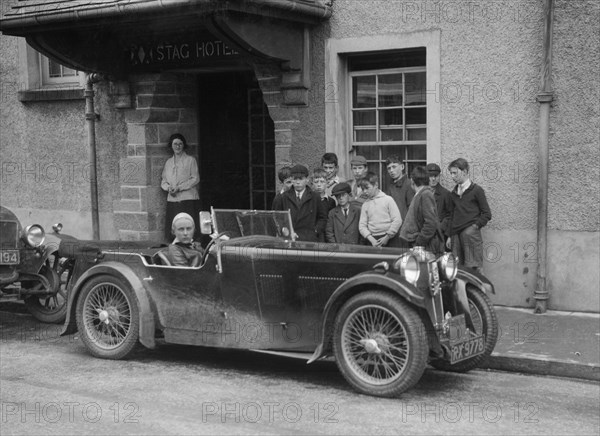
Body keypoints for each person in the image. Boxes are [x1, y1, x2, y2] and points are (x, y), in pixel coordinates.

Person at [448, 158, 492, 274]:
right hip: (456, 236)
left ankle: (478, 292)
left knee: (475, 269)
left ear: (465, 172)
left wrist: (474, 227)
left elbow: (487, 214)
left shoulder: (477, 190)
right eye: (451, 173)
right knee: (457, 270)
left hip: (471, 235)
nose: (452, 176)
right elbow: (452, 215)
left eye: (455, 173)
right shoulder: (453, 193)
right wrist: (449, 235)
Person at [272, 164, 328, 242]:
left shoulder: (315, 197)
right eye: (295, 179)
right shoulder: (283, 197)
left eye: (301, 179)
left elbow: (322, 218)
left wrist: (315, 231)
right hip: (290, 240)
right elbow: (277, 218)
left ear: (307, 179)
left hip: (309, 240)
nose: (298, 182)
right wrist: (285, 231)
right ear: (291, 179)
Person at [161, 133, 200, 241]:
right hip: (173, 199)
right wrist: (168, 188)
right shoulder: (168, 162)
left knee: (189, 223)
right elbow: (163, 181)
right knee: (174, 225)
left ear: (183, 145)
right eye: (175, 144)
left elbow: (195, 178)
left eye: (180, 144)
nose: (177, 146)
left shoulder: (190, 160)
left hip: (188, 199)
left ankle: (192, 245)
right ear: (171, 146)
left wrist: (179, 188)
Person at [399, 166, 445, 255]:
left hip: (426, 247)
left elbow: (430, 224)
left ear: (412, 181)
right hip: (420, 245)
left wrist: (418, 243)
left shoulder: (425, 194)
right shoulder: (420, 194)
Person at [358, 172, 402, 247]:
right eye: (363, 189)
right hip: (373, 240)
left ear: (376, 185)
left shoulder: (388, 200)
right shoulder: (365, 205)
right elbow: (362, 226)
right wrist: (372, 240)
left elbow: (397, 220)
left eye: (367, 188)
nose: (365, 191)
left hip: (390, 239)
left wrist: (387, 237)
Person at [426, 163, 453, 243]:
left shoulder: (445, 193)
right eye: (430, 176)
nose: (433, 179)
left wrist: (441, 227)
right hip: (424, 233)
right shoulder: (422, 192)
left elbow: (450, 215)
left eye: (436, 176)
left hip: (440, 235)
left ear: (439, 176)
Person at [385, 155, 414, 221]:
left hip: (404, 226)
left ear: (402, 167)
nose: (391, 170)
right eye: (389, 168)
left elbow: (412, 211)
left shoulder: (409, 185)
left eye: (394, 167)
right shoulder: (390, 186)